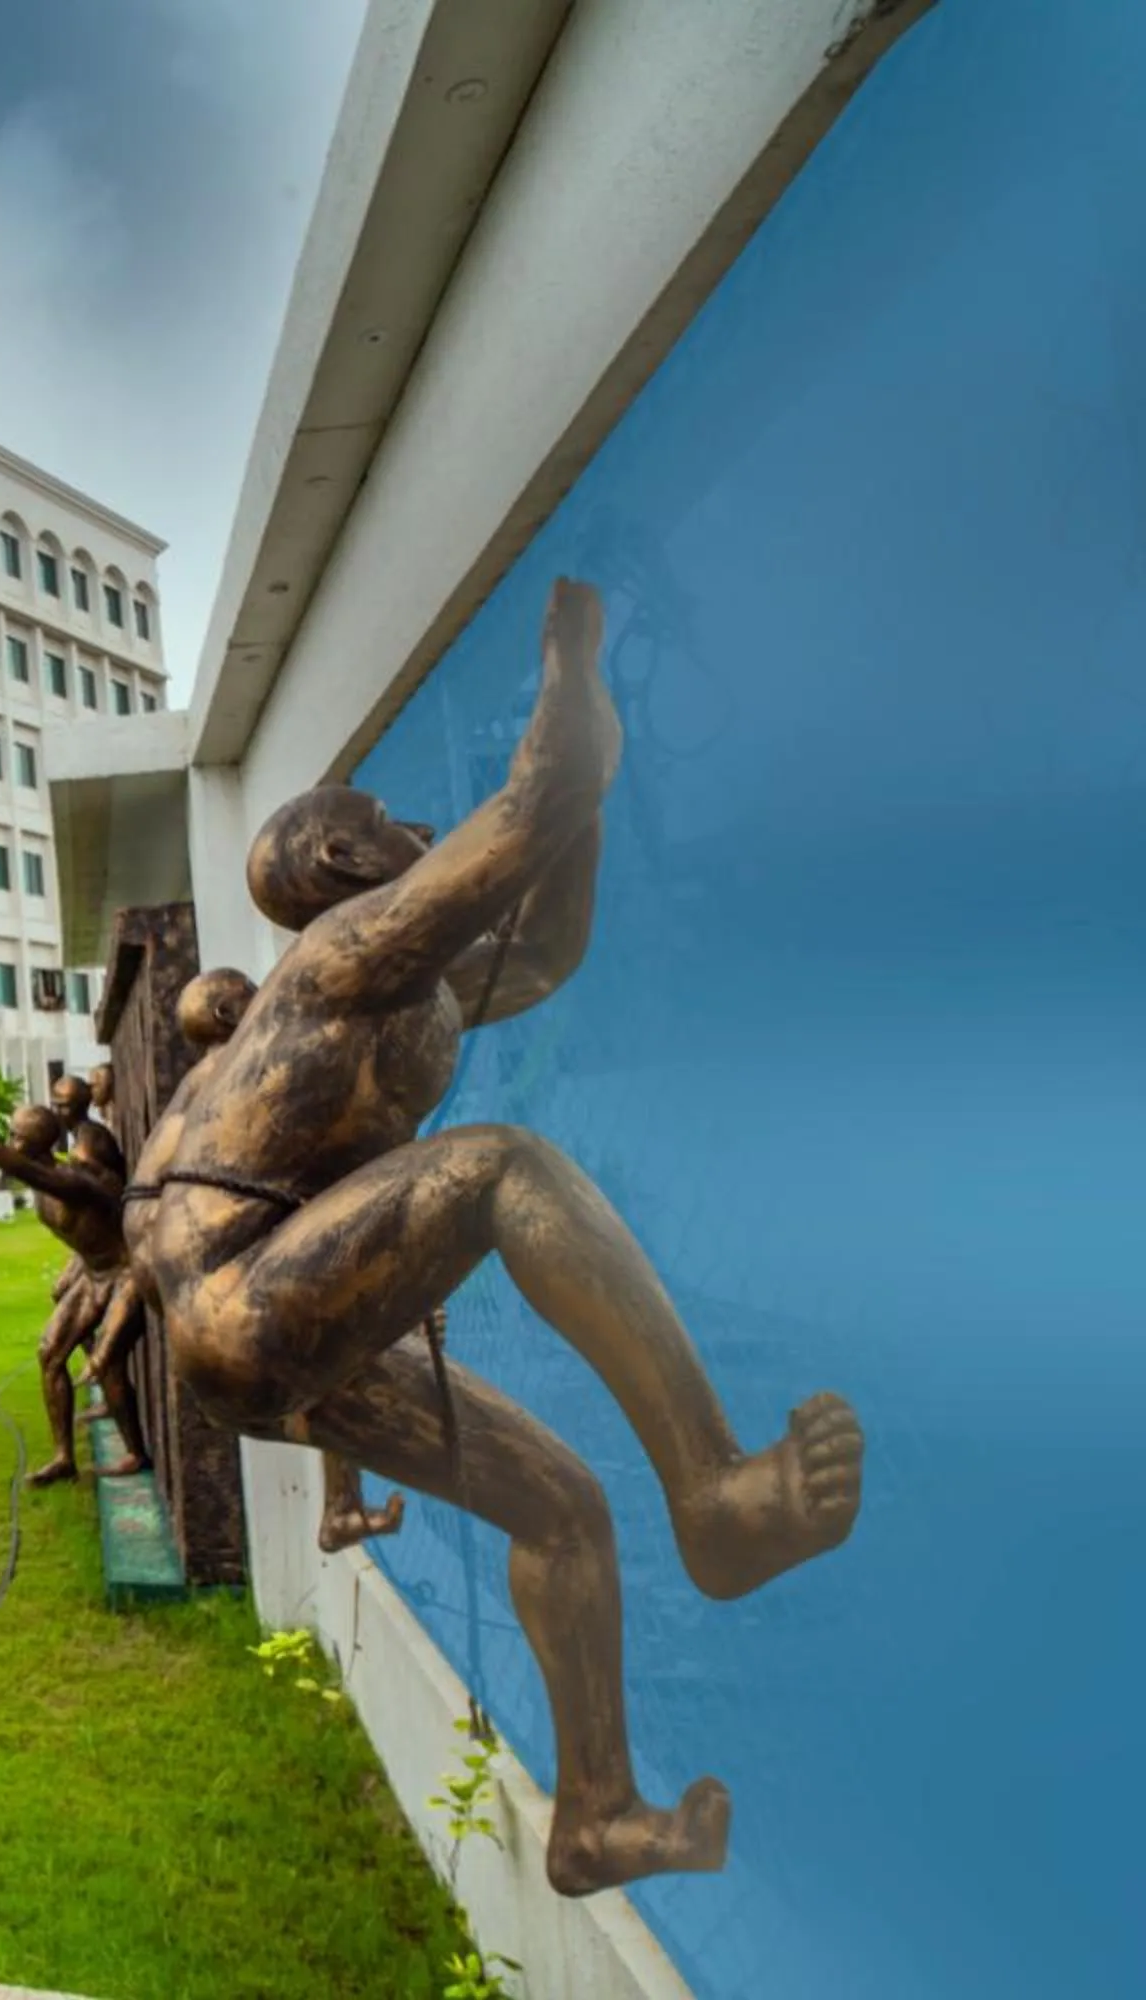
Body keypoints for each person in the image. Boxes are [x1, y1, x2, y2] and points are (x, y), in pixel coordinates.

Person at [146, 577, 863, 1895]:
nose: (418, 827)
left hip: (278, 1320)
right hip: (240, 1301)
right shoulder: (336, 955)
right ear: (353, 866)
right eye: (389, 824)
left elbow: (549, 943)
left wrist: (586, 767)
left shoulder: (404, 997)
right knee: (499, 1171)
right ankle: (712, 1490)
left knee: (564, 1508)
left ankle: (594, 1817)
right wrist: (573, 652)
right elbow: (528, 815)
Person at [124, 967, 405, 1554]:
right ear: (231, 1017)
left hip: (155, 1240)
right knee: (330, 1334)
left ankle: (341, 1503)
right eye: (255, 997)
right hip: (186, 1241)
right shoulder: (239, 1069)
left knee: (322, 1352)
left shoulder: (198, 1079)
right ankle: (341, 1501)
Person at [0, 1071, 148, 1485]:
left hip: (124, 1274)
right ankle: (62, 1456)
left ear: (35, 1146)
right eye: (11, 1135)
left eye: (17, 1137)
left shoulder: (66, 1179)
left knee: (110, 1368)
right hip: (92, 1274)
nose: (12, 1143)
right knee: (50, 1353)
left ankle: (137, 1453)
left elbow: (16, 1166)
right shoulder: (42, 1182)